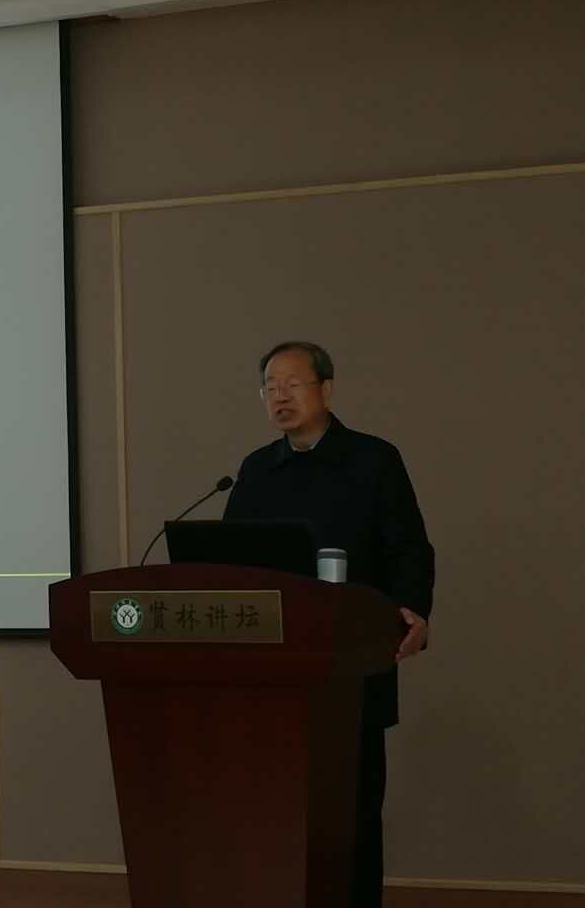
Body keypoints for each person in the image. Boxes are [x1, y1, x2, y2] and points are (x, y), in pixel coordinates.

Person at [222, 341, 434, 908]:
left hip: (351, 663)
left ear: (327, 389)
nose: (280, 396)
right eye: (270, 387)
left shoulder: (373, 460)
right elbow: (230, 560)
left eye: (293, 384)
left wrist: (413, 611)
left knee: (352, 810)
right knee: (273, 808)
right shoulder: (256, 470)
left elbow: (409, 549)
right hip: (273, 672)